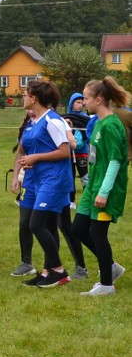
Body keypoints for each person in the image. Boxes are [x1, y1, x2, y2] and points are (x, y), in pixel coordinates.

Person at [73, 77, 129, 296]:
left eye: (86, 98)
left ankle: (107, 285)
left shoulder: (112, 125)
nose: (84, 101)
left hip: (106, 189)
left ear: (98, 99)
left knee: (97, 233)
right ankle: (112, 267)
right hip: (93, 187)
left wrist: (104, 192)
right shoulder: (98, 123)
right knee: (78, 228)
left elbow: (115, 161)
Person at [14, 80, 72, 287]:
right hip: (35, 180)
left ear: (34, 97)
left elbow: (65, 151)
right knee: (44, 224)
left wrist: (35, 158)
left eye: (25, 94)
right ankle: (47, 271)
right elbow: (27, 149)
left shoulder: (53, 120)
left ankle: (58, 270)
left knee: (36, 224)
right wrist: (27, 163)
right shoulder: (33, 121)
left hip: (53, 180)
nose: (23, 97)